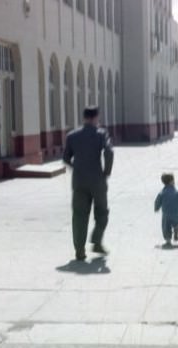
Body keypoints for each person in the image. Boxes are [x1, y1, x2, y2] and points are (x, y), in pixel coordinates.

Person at [63, 105, 114, 261]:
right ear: (96, 117)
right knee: (102, 212)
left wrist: (76, 168)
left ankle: (79, 250)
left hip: (79, 181)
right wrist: (106, 172)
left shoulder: (72, 135)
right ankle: (97, 240)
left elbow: (66, 158)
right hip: (97, 179)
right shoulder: (101, 133)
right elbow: (109, 152)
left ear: (84, 117)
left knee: (79, 216)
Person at [154, 173, 178, 246]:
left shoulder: (162, 193)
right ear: (172, 181)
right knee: (177, 222)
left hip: (166, 214)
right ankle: (176, 227)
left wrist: (156, 208)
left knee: (166, 227)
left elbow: (157, 201)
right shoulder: (177, 192)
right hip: (176, 213)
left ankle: (168, 240)